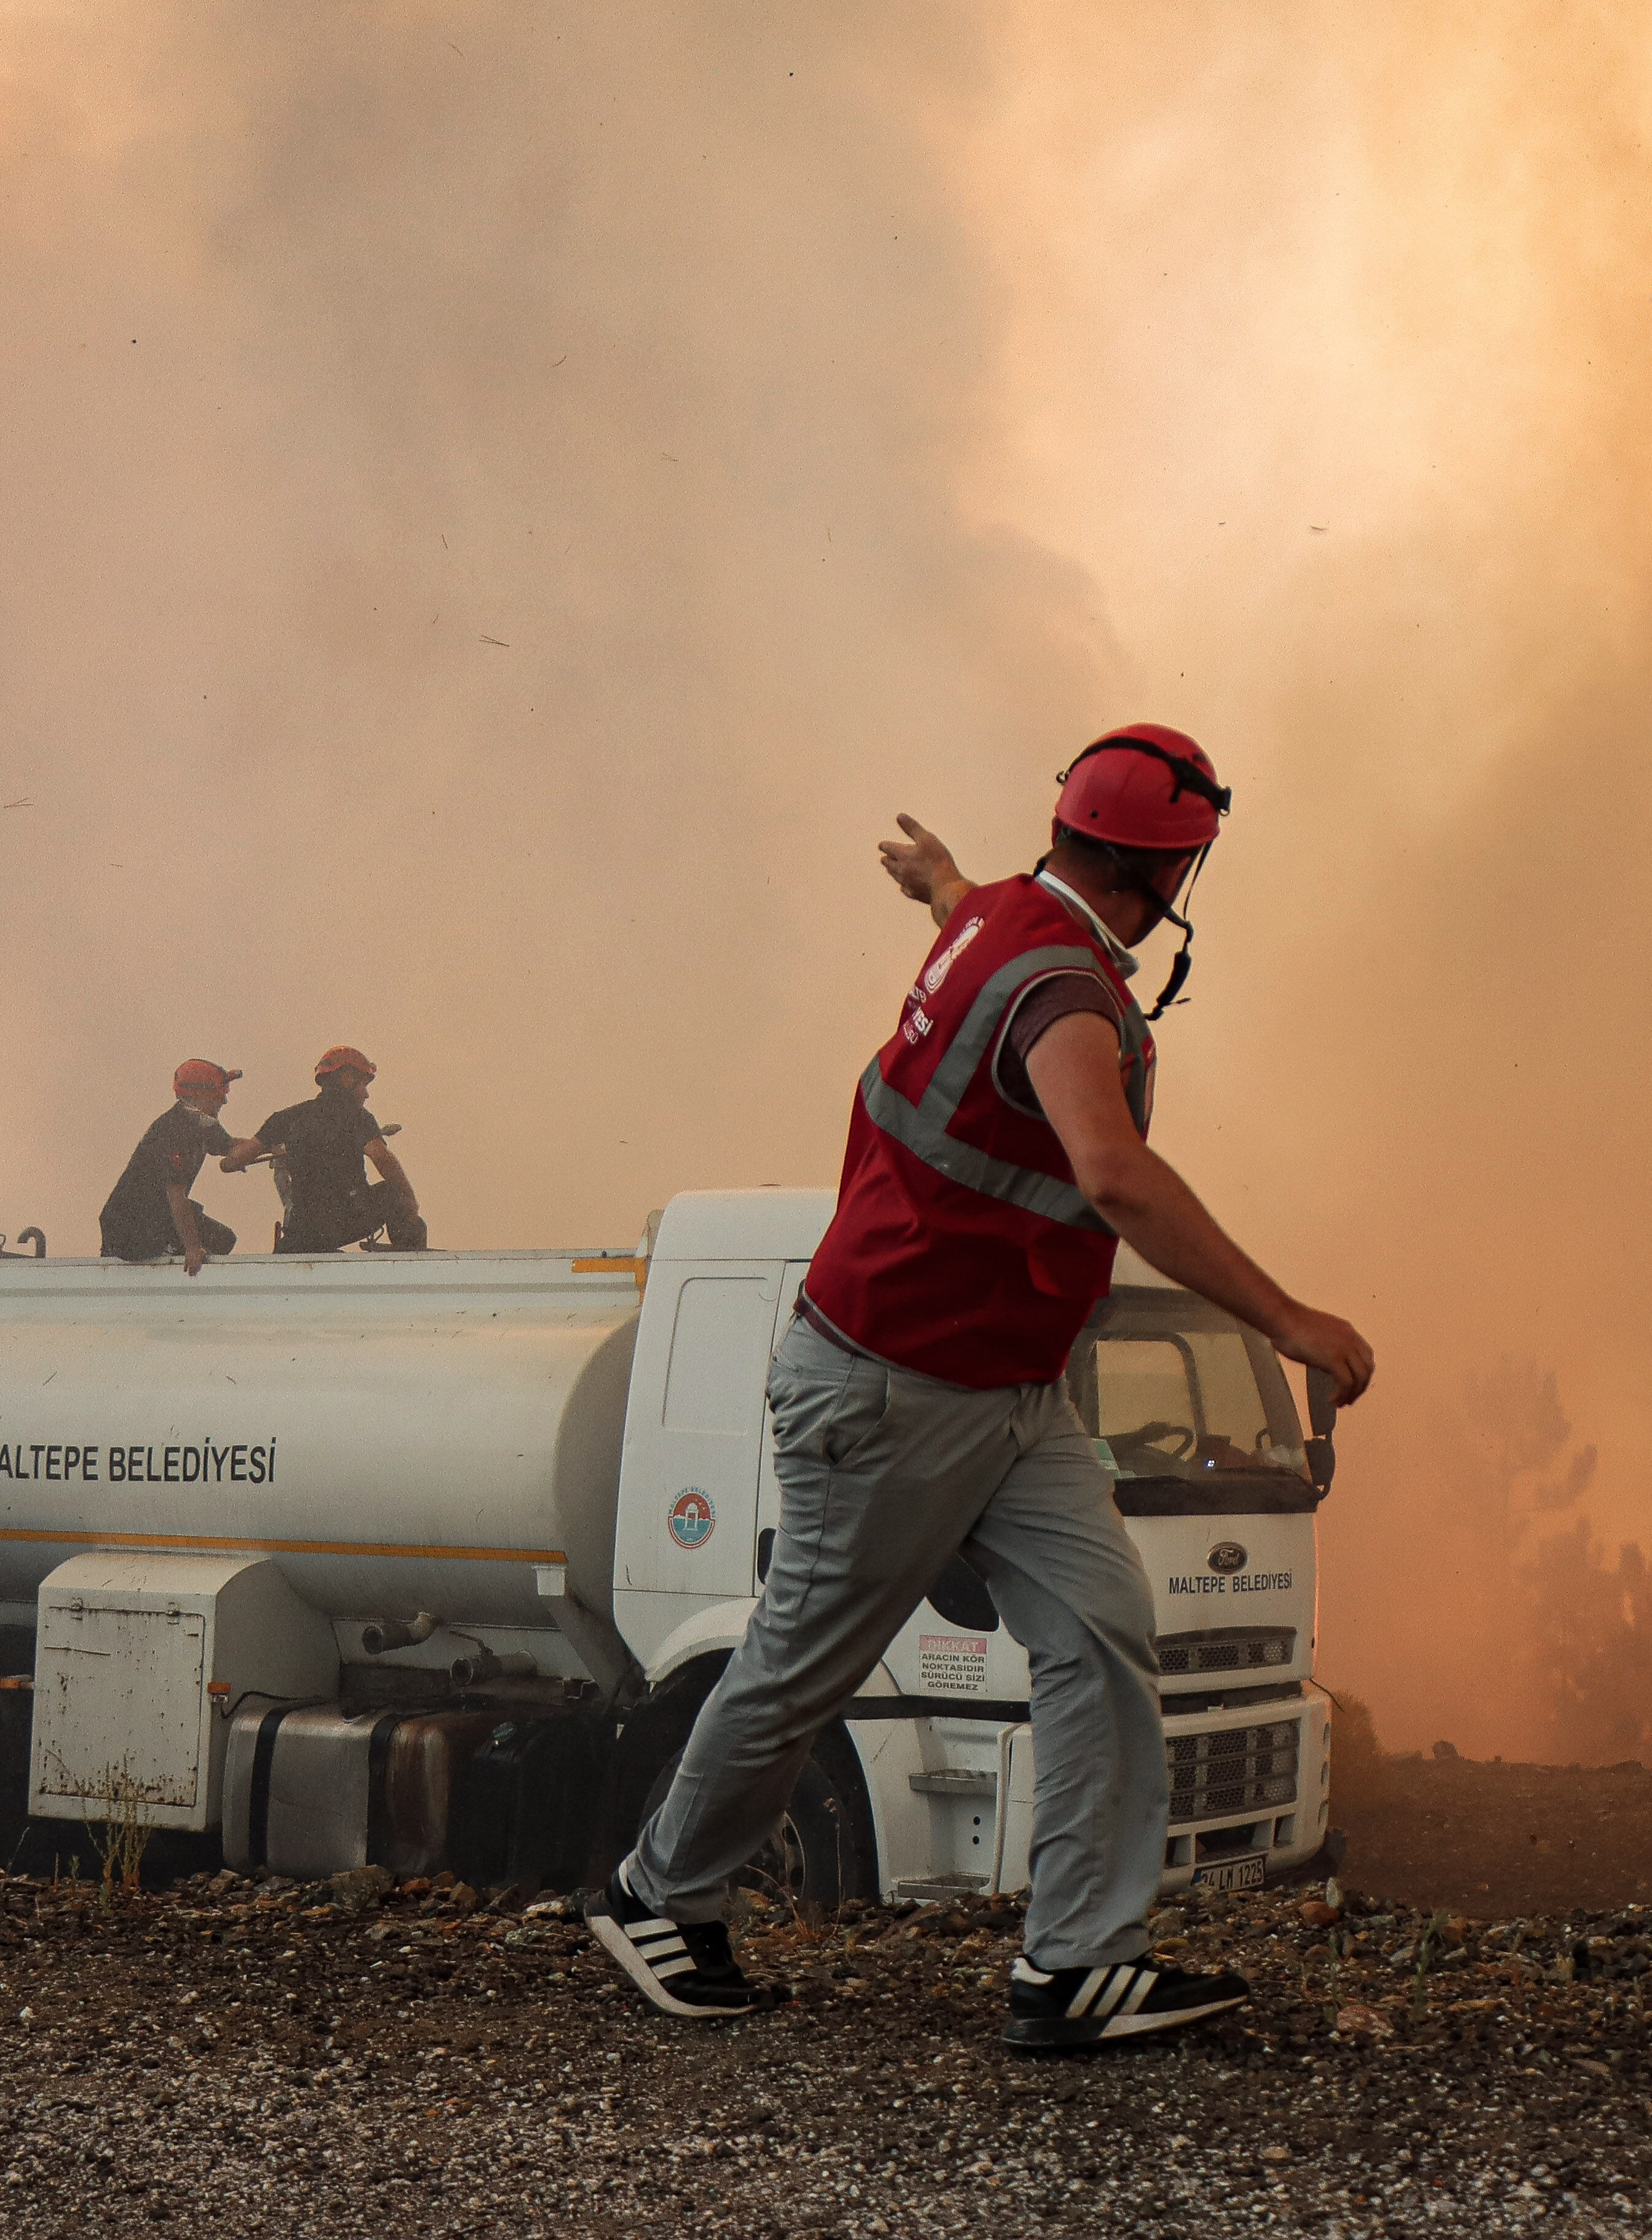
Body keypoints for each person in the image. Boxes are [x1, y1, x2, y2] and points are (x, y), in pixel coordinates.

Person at [586, 723, 1376, 2052]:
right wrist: (1289, 1318)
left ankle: (1076, 1964)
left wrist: (941, 879)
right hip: (892, 1387)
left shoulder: (1002, 914)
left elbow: (975, 925)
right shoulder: (1067, 995)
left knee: (1101, 1627)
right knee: (801, 1662)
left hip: (1006, 1390)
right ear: (1163, 876)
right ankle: (658, 1893)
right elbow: (1113, 1173)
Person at [233, 1046, 427, 1252]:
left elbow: (231, 1162)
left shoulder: (286, 1118)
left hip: (304, 1231)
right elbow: (382, 1158)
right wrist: (409, 1199)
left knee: (297, 1241)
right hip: (346, 1218)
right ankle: (410, 1259)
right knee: (393, 1193)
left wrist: (264, 1144)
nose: (367, 1094)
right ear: (347, 1079)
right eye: (364, 1085)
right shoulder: (358, 1117)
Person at [97, 1059, 244, 1272]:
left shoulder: (200, 1122)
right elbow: (177, 1198)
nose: (224, 1101)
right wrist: (192, 1249)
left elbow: (231, 1146)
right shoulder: (175, 1131)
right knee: (205, 1242)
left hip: (157, 1217)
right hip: (131, 1227)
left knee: (223, 1239)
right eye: (220, 1092)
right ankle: (168, 1262)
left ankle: (170, 1256)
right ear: (196, 1095)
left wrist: (269, 1145)